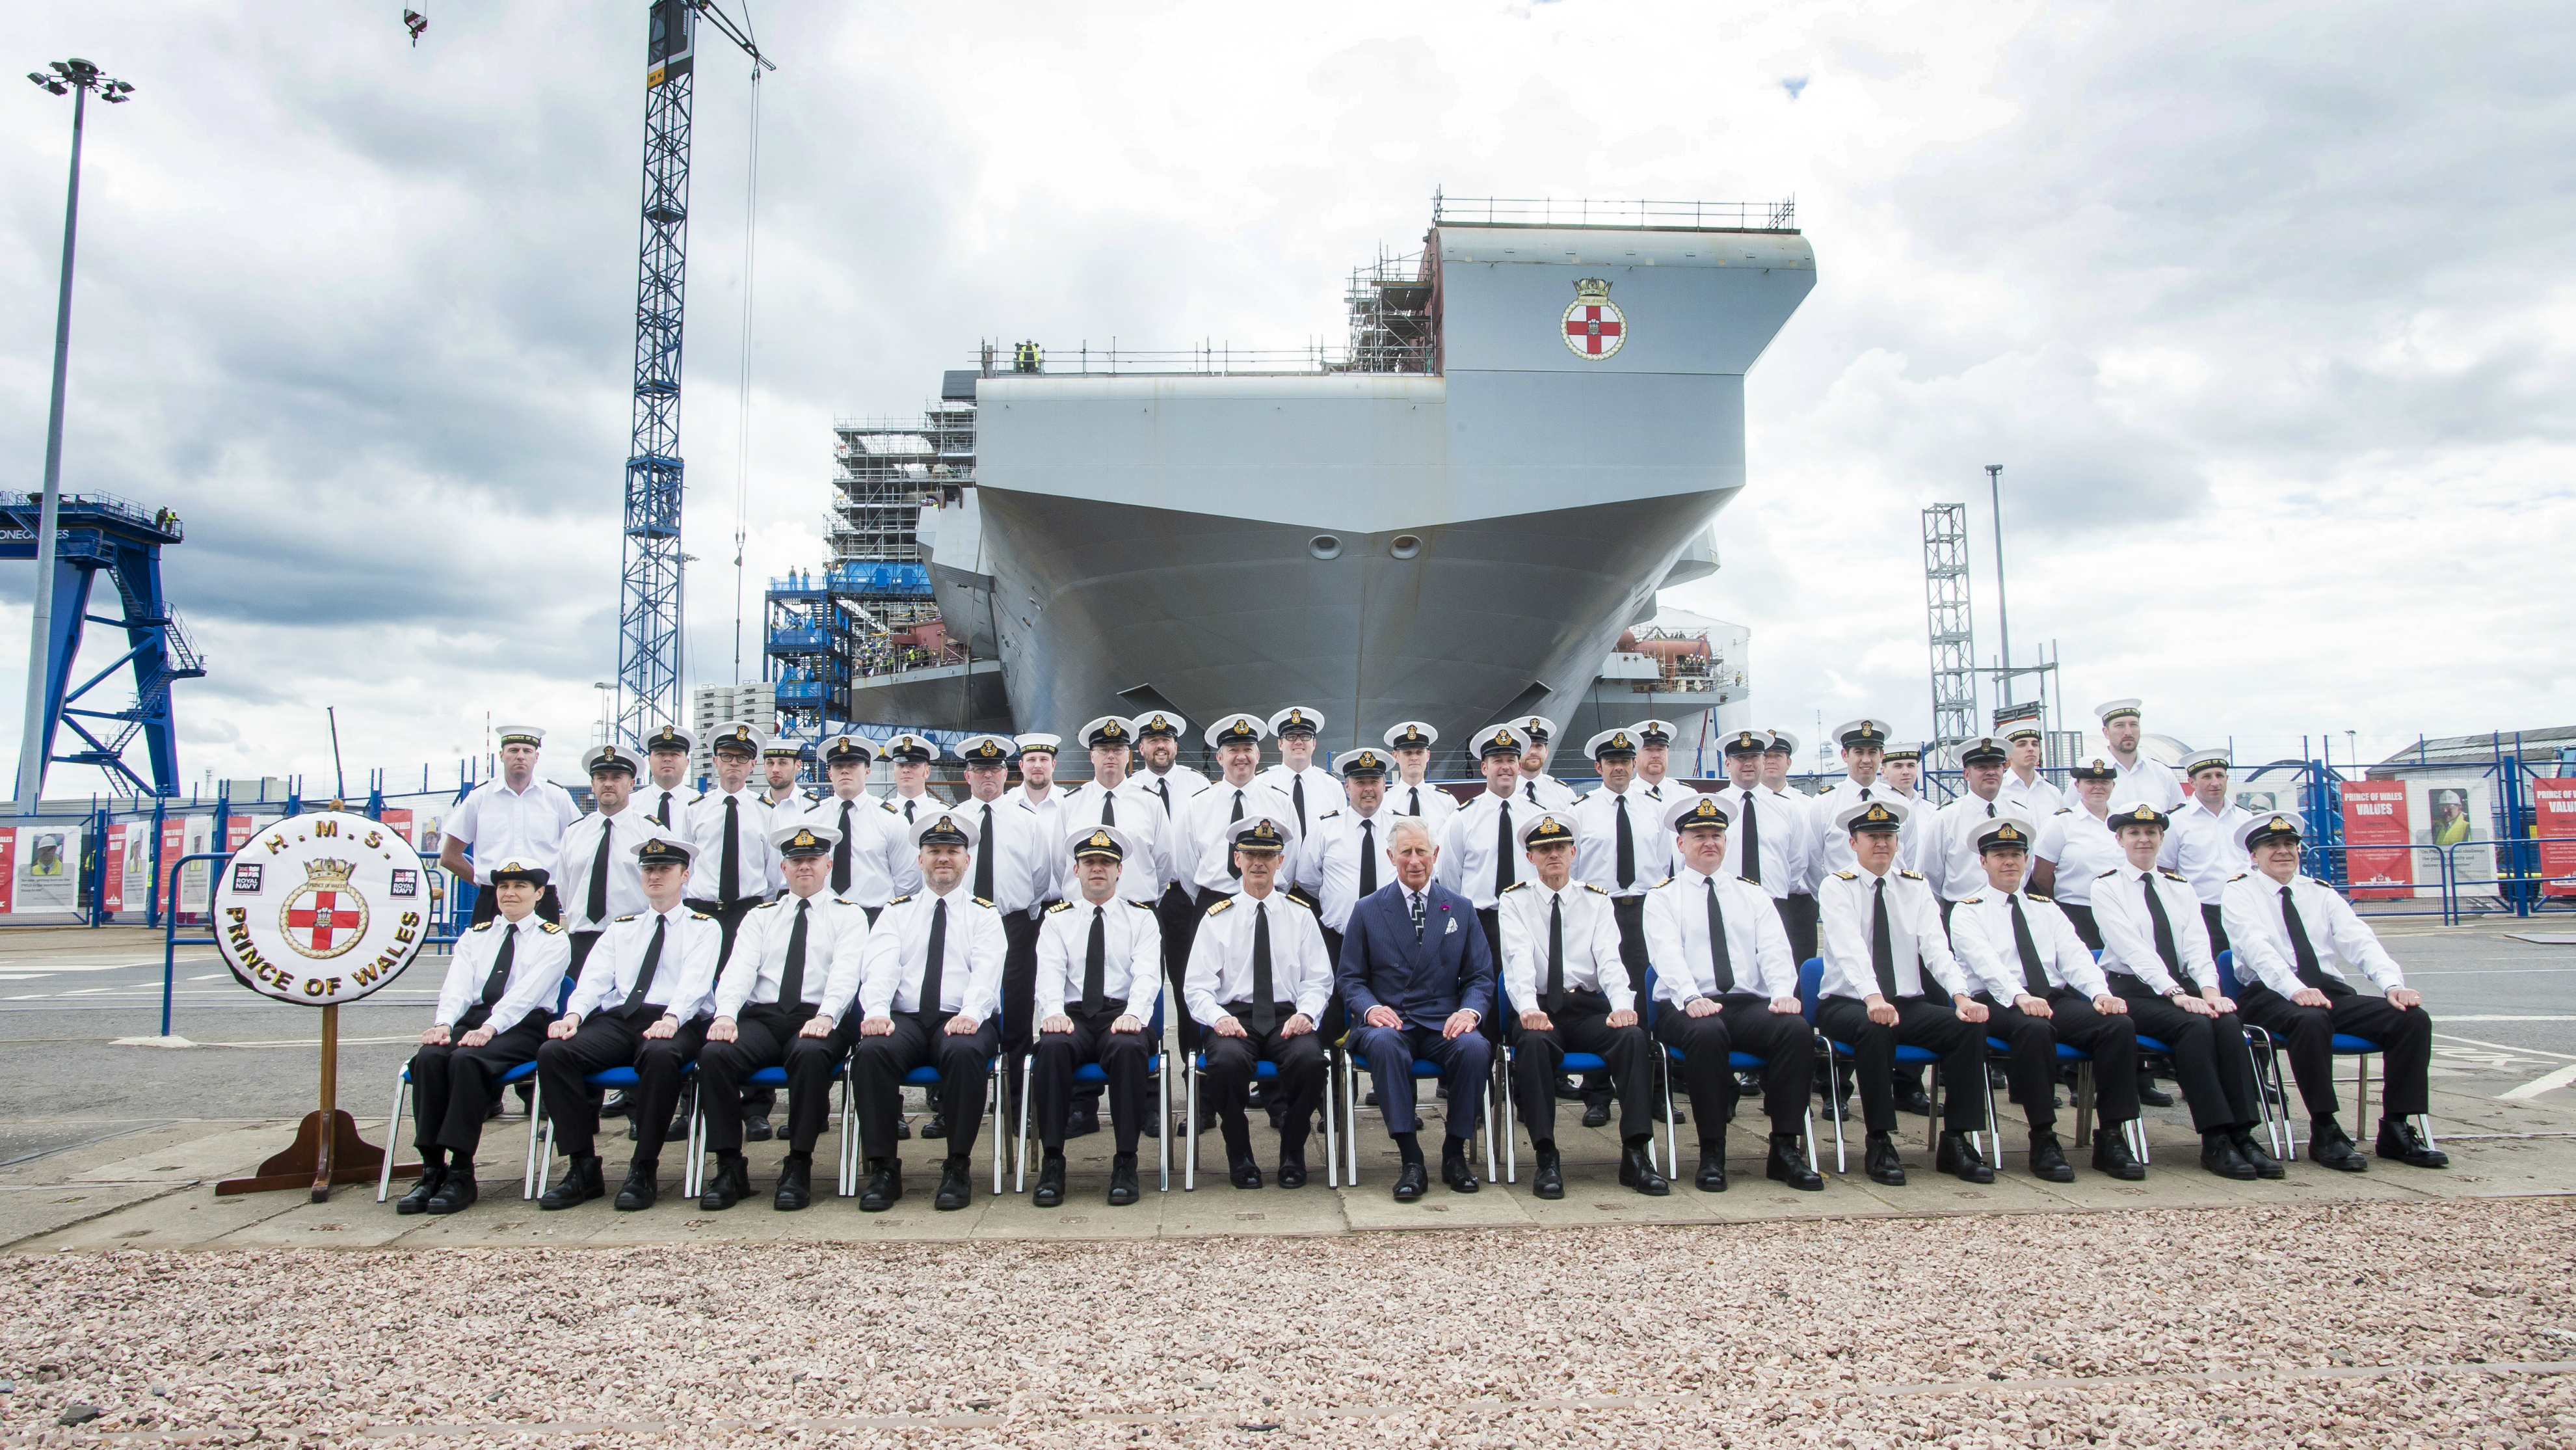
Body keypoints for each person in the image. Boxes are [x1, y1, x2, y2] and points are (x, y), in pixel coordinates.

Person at [2220, 811, 2447, 1172]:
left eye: (2290, 845)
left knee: (2411, 1019)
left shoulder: (2320, 892)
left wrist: (2393, 985)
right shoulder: (2239, 892)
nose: (2283, 852)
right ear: (2253, 855)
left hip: (2327, 992)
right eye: (2272, 845)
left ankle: (2397, 1127)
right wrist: (2295, 989)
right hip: (2270, 993)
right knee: (2310, 1021)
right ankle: (2325, 1128)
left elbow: (2360, 941)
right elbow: (2254, 947)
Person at [1945, 814, 2145, 1181]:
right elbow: (1986, 965)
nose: (2009, 862)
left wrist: (2101, 993)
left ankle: (2113, 1136)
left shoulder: (2045, 908)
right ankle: (2044, 1137)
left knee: (2117, 1026)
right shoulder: (1967, 910)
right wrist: (2020, 997)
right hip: (1998, 1001)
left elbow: (2076, 956)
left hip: (2051, 997)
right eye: (2000, 855)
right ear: (1983, 861)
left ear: (2026, 859)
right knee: (2034, 1030)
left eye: (2016, 854)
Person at [1645, 793, 1824, 1192]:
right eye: (1699, 835)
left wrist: (1782, 992)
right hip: (1683, 1004)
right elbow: (1666, 956)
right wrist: (1692, 997)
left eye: (1716, 835)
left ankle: (1784, 1148)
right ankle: (1712, 1151)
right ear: (1681, 843)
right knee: (1707, 1035)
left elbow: (1776, 949)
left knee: (1794, 1030)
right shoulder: (1662, 897)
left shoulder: (1752, 893)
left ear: (1726, 841)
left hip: (1746, 1002)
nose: (1709, 842)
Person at [2093, 802, 2280, 1181]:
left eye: (2151, 833)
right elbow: (2133, 950)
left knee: (2228, 1023)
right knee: (2192, 1027)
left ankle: (2243, 1133)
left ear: (2162, 838)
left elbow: (2198, 946)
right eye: (2134, 833)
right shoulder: (2106, 887)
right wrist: (2175, 992)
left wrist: (2210, 991)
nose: (2143, 839)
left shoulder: (2180, 887)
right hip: (2135, 990)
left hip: (2184, 988)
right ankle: (2215, 1138)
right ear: (2120, 839)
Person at [1814, 797, 1995, 1187]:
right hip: (1848, 1004)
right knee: (1875, 1030)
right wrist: (1872, 997)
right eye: (1872, 836)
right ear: (1853, 843)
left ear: (1898, 843)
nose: (1882, 844)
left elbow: (1935, 948)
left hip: (1907, 1003)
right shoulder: (1836, 886)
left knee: (1966, 1027)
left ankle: (1957, 1139)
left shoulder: (1915, 886)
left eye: (1888, 837)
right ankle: (1879, 1140)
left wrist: (1962, 996)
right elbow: (1849, 948)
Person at [535, 836, 723, 1211]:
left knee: (661, 1055)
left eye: (665, 869)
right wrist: (573, 1016)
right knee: (555, 1052)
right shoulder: (622, 928)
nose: (655, 876)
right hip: (622, 1018)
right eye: (649, 869)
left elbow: (695, 983)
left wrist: (671, 1018)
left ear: (685, 875)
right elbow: (594, 979)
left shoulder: (704, 927)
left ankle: (643, 1166)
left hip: (676, 1019)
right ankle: (582, 1166)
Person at [695, 822, 872, 1211]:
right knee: (715, 1055)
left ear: (828, 865)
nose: (804, 867)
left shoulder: (850, 916)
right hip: (763, 1018)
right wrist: (725, 1015)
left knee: (809, 1055)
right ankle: (728, 1166)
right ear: (783, 869)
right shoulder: (761, 916)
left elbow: (846, 973)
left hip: (820, 1016)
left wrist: (827, 1016)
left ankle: (798, 1164)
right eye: (796, 861)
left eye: (812, 860)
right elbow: (739, 970)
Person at [1496, 810, 1664, 1197]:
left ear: (1574, 852)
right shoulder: (1515, 901)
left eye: (1559, 847)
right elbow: (1517, 961)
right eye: (1543, 849)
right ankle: (1546, 1156)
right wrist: (1527, 1009)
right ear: (1530, 857)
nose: (1552, 854)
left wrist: (1622, 1005)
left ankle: (1636, 1154)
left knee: (1633, 1038)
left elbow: (1610, 960)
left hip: (1586, 1008)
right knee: (1534, 1045)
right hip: (1540, 1008)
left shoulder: (1596, 902)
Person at [851, 810, 1009, 1212]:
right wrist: (878, 1011)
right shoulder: (897, 911)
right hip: (904, 1018)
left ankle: (957, 1165)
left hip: (960, 1015)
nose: (944, 858)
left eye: (952, 851)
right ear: (919, 859)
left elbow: (987, 972)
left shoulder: (984, 914)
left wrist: (972, 1012)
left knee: (964, 1051)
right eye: (934, 850)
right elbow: (881, 966)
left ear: (966, 860)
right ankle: (884, 1167)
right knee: (871, 1052)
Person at [397, 859, 570, 1215]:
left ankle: (462, 1170)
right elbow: (457, 986)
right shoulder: (475, 935)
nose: (510, 894)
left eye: (520, 887)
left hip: (523, 1024)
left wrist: (491, 1028)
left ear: (538, 894)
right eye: (504, 887)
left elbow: (527, 994)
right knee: (429, 1058)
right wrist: (445, 1024)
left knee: (467, 1060)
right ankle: (432, 1167)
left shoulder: (553, 939)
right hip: (474, 1019)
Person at [1338, 814, 1494, 1200]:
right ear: (1391, 856)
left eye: (1421, 851)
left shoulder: (1461, 908)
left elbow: (1480, 977)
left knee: (1476, 1049)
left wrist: (1470, 1012)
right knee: (1386, 1046)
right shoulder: (1368, 909)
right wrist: (1371, 1009)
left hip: (1445, 1022)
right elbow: (1350, 978)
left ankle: (1455, 1152)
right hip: (1392, 1020)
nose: (1414, 860)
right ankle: (1410, 1158)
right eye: (1405, 852)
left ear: (1435, 854)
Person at [1187, 816, 1333, 1189]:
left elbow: (1319, 979)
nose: (1258, 863)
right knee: (1227, 1063)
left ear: (1280, 862)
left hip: (1288, 1015)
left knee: (1311, 1061)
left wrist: (1306, 1013)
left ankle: (1293, 1152)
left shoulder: (1301, 915)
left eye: (1267, 855)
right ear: (1236, 859)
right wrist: (1217, 1019)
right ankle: (1240, 1153)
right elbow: (1197, 987)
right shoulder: (1216, 919)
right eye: (1250, 853)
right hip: (1234, 1017)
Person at [1030, 824, 1165, 1207]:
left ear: (1120, 870)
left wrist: (1136, 1014)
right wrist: (1052, 1013)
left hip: (1119, 1014)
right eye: (1089, 862)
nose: (1098, 869)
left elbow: (1148, 975)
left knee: (1127, 1049)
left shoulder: (1141, 919)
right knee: (1052, 1049)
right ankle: (1053, 1161)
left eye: (1106, 862)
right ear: (1076, 870)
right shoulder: (1057, 919)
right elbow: (1049, 974)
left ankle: (1126, 1161)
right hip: (1072, 1015)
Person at [950, 731, 1066, 1141]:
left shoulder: (1026, 821)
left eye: (995, 769)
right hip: (962, 927)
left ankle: (1016, 1105)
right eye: (980, 769)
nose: (988, 776)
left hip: (1014, 924)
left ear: (1005, 773)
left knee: (1016, 1019)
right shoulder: (955, 821)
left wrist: (1020, 912)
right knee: (961, 1013)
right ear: (967, 774)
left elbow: (1040, 877)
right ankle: (956, 1106)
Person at [1571, 727, 1670, 1126]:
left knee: (1647, 1002)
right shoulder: (1580, 811)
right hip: (1598, 909)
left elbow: (1666, 866)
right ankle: (1597, 1095)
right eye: (1611, 762)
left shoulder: (1655, 808)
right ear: (1598, 766)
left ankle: (1651, 1094)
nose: (1619, 768)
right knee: (1598, 998)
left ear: (1634, 764)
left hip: (1644, 910)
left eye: (1626, 762)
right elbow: (1574, 870)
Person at [441, 724, 579, 924]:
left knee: (541, 956)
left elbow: (579, 848)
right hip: (493, 900)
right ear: (502, 755)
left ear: (536, 757)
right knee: (485, 956)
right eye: (513, 750)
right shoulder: (479, 797)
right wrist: (486, 882)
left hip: (541, 899)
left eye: (527, 751)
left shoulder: (557, 797)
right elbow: (449, 857)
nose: (520, 756)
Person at [1435, 723, 1535, 979]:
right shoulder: (1462, 819)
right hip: (1481, 922)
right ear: (1484, 768)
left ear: (1519, 767)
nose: (1505, 767)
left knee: (1531, 989)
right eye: (1497, 760)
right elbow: (1449, 880)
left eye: (1511, 760)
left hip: (1530, 918)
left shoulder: (1536, 817)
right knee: (1482, 992)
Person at [1294, 747, 1403, 980]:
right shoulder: (1325, 828)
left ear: (1385, 785)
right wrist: (1335, 899)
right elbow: (1306, 877)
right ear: (1347, 787)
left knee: (1389, 1009)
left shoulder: (1401, 827)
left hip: (1393, 939)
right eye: (1360, 782)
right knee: (1334, 1007)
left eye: (1374, 781)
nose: (1368, 789)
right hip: (1338, 938)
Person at [682, 723, 778, 964]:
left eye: (742, 757)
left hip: (747, 911)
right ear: (716, 761)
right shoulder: (696, 809)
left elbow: (773, 869)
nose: (734, 762)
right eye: (727, 756)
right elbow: (687, 864)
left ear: (753, 765)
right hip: (702, 910)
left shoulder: (765, 811)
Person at [553, 744, 650, 977]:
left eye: (617, 777)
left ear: (631, 783)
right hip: (583, 941)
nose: (608, 783)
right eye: (601, 777)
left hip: (632, 938)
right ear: (592, 784)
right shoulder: (574, 833)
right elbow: (565, 889)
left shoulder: (651, 833)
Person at [1714, 730, 1811, 962]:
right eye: (1740, 759)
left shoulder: (1787, 809)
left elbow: (1797, 862)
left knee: (1781, 974)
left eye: (1754, 757)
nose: (1748, 764)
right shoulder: (1716, 807)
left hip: (1774, 906)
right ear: (1728, 763)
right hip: (1727, 908)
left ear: (1763, 761)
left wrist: (1775, 889)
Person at [2160, 749, 2252, 952]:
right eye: (2207, 776)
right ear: (2192, 782)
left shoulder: (2246, 818)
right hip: (2202, 912)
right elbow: (2165, 869)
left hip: (2247, 909)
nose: (2215, 783)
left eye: (2220, 776)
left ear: (2227, 778)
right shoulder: (2175, 820)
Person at [803, 734, 907, 913]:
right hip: (823, 915)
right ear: (830, 774)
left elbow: (907, 879)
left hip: (873, 914)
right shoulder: (811, 820)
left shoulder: (891, 819)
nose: (845, 771)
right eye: (838, 766)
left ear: (867, 771)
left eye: (852, 765)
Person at [2030, 759, 2124, 948]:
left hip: (2121, 911)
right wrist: (2065, 898)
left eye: (2105, 782)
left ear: (2113, 785)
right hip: (2077, 912)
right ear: (2077, 785)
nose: (2098, 787)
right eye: (2090, 781)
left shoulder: (2124, 822)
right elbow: (2041, 875)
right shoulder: (2061, 822)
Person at [1928, 736, 2013, 909]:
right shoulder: (1946, 817)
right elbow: (1930, 876)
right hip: (1962, 908)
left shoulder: (2019, 815)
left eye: (1996, 766)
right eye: (1982, 767)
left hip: (2009, 908)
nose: (1991, 772)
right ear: (1967, 774)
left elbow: (2027, 867)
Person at [1258, 706, 1346, 837]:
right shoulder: (1261, 783)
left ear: (1314, 743)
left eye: (1305, 736)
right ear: (1280, 744)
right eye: (1291, 737)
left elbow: (1341, 832)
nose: (1299, 742)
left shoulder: (1333, 786)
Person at [2094, 699, 2184, 812]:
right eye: (2120, 726)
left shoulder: (2162, 773)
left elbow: (2178, 817)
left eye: (2133, 725)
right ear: (2106, 732)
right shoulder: (2089, 776)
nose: (2128, 732)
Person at [1383, 721, 1461, 826]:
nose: (1414, 758)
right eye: (1408, 753)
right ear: (1396, 756)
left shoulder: (1446, 802)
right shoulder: (1384, 803)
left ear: (1428, 756)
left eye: (1419, 752)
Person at [1509, 715, 1584, 811]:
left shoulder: (1564, 793)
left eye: (1538, 746)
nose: (1533, 752)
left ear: (1546, 751)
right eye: (1528, 746)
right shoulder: (1505, 791)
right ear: (1517, 752)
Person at [1002, 732, 1064, 846]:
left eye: (1044, 759)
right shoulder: (1005, 804)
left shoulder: (1068, 804)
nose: (1038, 766)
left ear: (1053, 765)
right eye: (1031, 760)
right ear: (1021, 766)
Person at [1997, 718, 2064, 818]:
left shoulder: (2053, 792)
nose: (2031, 749)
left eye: (2035, 744)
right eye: (2022, 745)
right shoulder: (1998, 791)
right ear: (2008, 754)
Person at [640, 724, 694, 829]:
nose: (667, 759)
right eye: (660, 754)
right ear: (649, 760)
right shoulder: (631, 804)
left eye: (675, 754)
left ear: (687, 762)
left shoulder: (702, 806)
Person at [1628, 719, 1682, 801]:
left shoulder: (1685, 795)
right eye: (1649, 749)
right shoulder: (1625, 796)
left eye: (1660, 749)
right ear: (1636, 754)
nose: (1656, 755)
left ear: (1667, 753)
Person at [758, 736, 809, 812]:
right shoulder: (754, 807)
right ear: (764, 766)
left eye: (783, 763)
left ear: (798, 765)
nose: (775, 770)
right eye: (770, 763)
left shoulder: (811, 807)